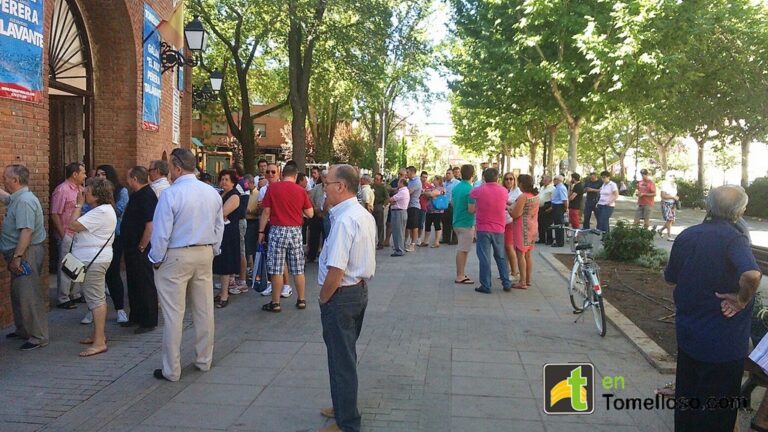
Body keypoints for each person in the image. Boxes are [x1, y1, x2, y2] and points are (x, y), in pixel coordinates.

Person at [665, 185, 762, 432]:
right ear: (740, 211)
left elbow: (671, 277)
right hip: (723, 343)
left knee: (688, 398)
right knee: (717, 409)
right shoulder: (735, 238)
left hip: (689, 334)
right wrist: (741, 300)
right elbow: (751, 275)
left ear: (709, 207)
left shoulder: (688, 234)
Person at [149, 148, 224, 382]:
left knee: (174, 314)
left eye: (170, 166)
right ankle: (204, 359)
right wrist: (213, 250)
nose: (169, 171)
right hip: (203, 252)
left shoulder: (171, 195)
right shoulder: (211, 193)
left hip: (176, 254)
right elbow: (219, 225)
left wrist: (156, 258)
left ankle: (172, 369)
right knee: (204, 310)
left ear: (177, 167)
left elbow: (161, 233)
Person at [317, 164, 376, 432]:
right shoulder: (361, 214)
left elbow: (336, 270)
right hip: (357, 291)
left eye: (326, 183)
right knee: (344, 356)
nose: (323, 188)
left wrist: (323, 297)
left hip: (342, 295)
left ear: (341, 186)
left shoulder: (344, 219)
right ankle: (342, 406)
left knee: (342, 360)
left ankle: (347, 422)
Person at [0, 164, 48, 350]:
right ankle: (23, 329)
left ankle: (38, 336)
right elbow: (6, 198)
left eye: (6, 177)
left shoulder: (25, 201)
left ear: (15, 180)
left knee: (28, 294)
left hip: (26, 253)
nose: (3, 180)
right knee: (18, 292)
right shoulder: (17, 198)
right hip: (21, 252)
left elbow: (27, 230)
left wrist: (18, 257)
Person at [69, 177, 117, 357]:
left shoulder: (102, 212)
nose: (84, 193)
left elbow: (73, 225)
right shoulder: (101, 210)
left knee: (96, 300)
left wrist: (77, 205)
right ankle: (98, 335)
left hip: (93, 261)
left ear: (97, 193)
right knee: (93, 298)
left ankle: (99, 342)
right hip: (91, 260)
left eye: (87, 190)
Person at [258, 163, 314, 312]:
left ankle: (275, 303)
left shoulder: (272, 188)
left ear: (282, 174)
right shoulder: (301, 191)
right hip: (295, 231)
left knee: (276, 268)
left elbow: (266, 213)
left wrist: (261, 232)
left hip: (277, 230)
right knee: (298, 268)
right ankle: (301, 299)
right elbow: (310, 213)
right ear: (295, 176)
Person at [121, 166, 158, 333]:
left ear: (135, 179)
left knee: (144, 283)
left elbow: (149, 225)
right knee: (133, 282)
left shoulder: (147, 196)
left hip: (140, 248)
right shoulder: (136, 195)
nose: (127, 181)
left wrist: (142, 245)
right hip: (131, 247)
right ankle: (135, 315)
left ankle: (149, 320)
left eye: (128, 178)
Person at [95, 165, 129, 324]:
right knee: (96, 275)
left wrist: (108, 198)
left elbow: (120, 210)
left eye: (104, 174)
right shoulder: (91, 192)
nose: (101, 177)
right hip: (97, 238)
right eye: (98, 174)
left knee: (113, 273)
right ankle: (93, 311)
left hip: (115, 236)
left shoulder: (121, 191)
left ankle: (120, 309)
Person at [469, 168, 511, 293]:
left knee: (484, 257)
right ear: (497, 178)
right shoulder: (504, 191)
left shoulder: (478, 190)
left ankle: (486, 285)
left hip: (483, 228)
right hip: (499, 228)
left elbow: (471, 195)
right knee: (501, 256)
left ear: (484, 178)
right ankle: (506, 282)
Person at [51, 162, 87, 309]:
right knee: (65, 265)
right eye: (83, 172)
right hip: (67, 233)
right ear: (75, 174)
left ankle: (76, 293)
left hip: (79, 233)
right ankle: (63, 297)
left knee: (78, 264)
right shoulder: (62, 190)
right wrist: (63, 234)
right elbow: (55, 214)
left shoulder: (81, 190)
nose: (85, 175)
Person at [212, 170, 242, 308]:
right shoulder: (219, 194)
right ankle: (221, 291)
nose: (223, 182)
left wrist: (216, 214)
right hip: (219, 231)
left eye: (226, 179)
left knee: (226, 263)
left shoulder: (234, 195)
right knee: (220, 262)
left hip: (228, 233)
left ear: (233, 182)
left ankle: (225, 294)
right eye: (222, 179)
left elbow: (222, 213)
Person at [509, 174, 539, 289]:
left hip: (522, 227)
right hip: (533, 226)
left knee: (520, 254)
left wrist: (510, 210)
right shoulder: (535, 195)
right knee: (528, 254)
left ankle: (522, 282)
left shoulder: (523, 196)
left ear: (521, 184)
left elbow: (516, 213)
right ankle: (527, 279)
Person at [452, 164, 476, 285]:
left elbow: (452, 203)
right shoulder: (470, 190)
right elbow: (471, 209)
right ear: (473, 175)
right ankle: (460, 275)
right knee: (463, 249)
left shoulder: (456, 187)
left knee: (463, 248)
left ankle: (461, 273)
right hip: (466, 222)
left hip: (457, 221)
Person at [502, 173, 521, 280]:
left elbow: (516, 206)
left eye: (511, 179)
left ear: (514, 180)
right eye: (506, 179)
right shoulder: (502, 190)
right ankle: (506, 270)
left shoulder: (518, 192)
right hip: (501, 222)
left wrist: (505, 204)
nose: (509, 181)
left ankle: (515, 272)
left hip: (511, 222)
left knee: (509, 247)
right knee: (504, 248)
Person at [384, 169, 407, 248]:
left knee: (399, 229)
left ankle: (400, 247)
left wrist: (392, 199)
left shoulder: (404, 188)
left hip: (400, 210)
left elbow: (392, 199)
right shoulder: (395, 182)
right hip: (394, 209)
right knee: (390, 224)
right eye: (399, 174)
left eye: (401, 174)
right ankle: (390, 242)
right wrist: (394, 189)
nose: (399, 175)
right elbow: (388, 188)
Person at [307, 171, 326, 262]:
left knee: (327, 236)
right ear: (321, 177)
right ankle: (312, 255)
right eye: (323, 177)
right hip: (316, 214)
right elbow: (310, 198)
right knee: (314, 236)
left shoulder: (332, 188)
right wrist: (315, 208)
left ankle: (326, 256)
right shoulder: (317, 188)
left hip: (327, 214)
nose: (325, 179)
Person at [388, 178, 410, 257]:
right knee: (399, 231)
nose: (397, 184)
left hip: (399, 212)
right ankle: (399, 247)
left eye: (399, 182)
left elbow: (392, 199)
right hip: (400, 212)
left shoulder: (402, 192)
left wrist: (392, 201)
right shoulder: (403, 191)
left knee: (398, 231)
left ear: (402, 183)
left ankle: (399, 249)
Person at [423, 175, 445, 248]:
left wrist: (426, 193)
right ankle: (426, 241)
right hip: (429, 210)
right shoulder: (432, 188)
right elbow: (428, 193)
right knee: (427, 225)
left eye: (435, 179)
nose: (433, 181)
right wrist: (427, 193)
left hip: (437, 211)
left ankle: (436, 242)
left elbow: (431, 194)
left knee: (437, 225)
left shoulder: (441, 189)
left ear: (439, 181)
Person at [405, 166, 422, 251]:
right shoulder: (410, 181)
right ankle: (407, 242)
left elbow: (408, 192)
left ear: (412, 172)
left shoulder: (416, 182)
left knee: (414, 226)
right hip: (409, 205)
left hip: (414, 206)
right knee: (409, 226)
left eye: (407, 172)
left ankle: (413, 244)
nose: (406, 174)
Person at [657, 173, 679, 241]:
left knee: (672, 221)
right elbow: (663, 196)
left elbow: (675, 195)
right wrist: (672, 196)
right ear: (667, 177)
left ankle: (661, 230)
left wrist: (675, 201)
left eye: (673, 176)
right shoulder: (664, 185)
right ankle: (669, 236)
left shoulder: (675, 185)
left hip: (672, 204)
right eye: (671, 176)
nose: (672, 177)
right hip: (666, 203)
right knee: (669, 219)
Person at [550, 175, 569, 247]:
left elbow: (564, 199)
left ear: (559, 180)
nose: (554, 180)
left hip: (559, 206)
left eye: (555, 179)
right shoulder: (557, 187)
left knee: (559, 225)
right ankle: (558, 241)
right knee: (556, 224)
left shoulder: (561, 188)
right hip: (556, 206)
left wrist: (565, 208)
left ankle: (560, 242)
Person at [442, 168, 460, 245]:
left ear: (453, 174)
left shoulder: (457, 183)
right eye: (447, 173)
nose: (447, 175)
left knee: (453, 222)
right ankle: (446, 238)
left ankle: (454, 239)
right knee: (445, 222)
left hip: (453, 204)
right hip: (445, 204)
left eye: (449, 173)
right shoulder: (444, 183)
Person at [372, 173, 389, 250]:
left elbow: (387, 198)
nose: (375, 180)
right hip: (371, 206)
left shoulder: (382, 188)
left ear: (381, 180)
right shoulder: (371, 186)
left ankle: (380, 243)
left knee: (380, 225)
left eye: (377, 179)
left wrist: (383, 206)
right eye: (375, 178)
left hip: (378, 206)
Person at [536, 175, 554, 245]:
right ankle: (542, 238)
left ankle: (549, 239)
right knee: (540, 223)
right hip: (540, 207)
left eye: (545, 180)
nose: (544, 181)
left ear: (549, 181)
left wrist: (551, 207)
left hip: (547, 205)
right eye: (543, 180)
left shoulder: (552, 188)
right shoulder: (542, 187)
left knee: (548, 224)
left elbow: (553, 199)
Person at [417, 171, 431, 246]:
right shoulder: (417, 184)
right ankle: (413, 238)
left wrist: (425, 193)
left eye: (426, 177)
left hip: (423, 207)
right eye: (423, 177)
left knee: (421, 223)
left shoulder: (429, 185)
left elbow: (431, 194)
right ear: (420, 177)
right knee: (413, 223)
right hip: (415, 206)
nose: (424, 179)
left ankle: (419, 238)